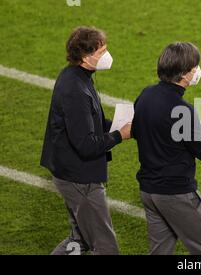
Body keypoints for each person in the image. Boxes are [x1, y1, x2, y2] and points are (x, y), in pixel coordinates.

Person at [132, 42, 201, 255]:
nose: (198, 71)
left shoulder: (146, 95)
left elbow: (140, 131)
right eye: (195, 67)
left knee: (160, 251)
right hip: (176, 194)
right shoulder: (182, 110)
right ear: (185, 74)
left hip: (148, 191)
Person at [40, 26, 132, 255]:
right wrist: (121, 134)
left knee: (79, 240)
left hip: (70, 172)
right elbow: (87, 145)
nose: (106, 56)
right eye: (101, 52)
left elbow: (92, 121)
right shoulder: (76, 90)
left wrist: (120, 125)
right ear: (84, 56)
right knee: (105, 246)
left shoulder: (76, 76)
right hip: (79, 177)